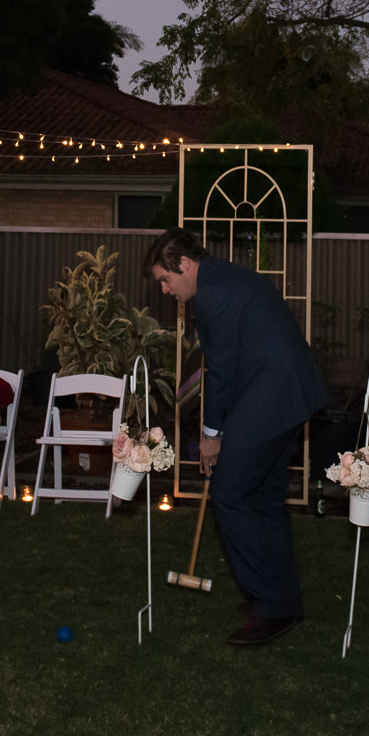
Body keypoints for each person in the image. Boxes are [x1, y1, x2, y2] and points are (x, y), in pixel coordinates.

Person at [146, 228, 328, 646]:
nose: (164, 288)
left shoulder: (214, 294)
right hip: (286, 393)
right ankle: (282, 601)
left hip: (270, 397)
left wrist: (211, 435)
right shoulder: (224, 279)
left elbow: (222, 370)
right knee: (263, 497)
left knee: (229, 494)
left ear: (184, 265)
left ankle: (269, 604)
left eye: (165, 278)